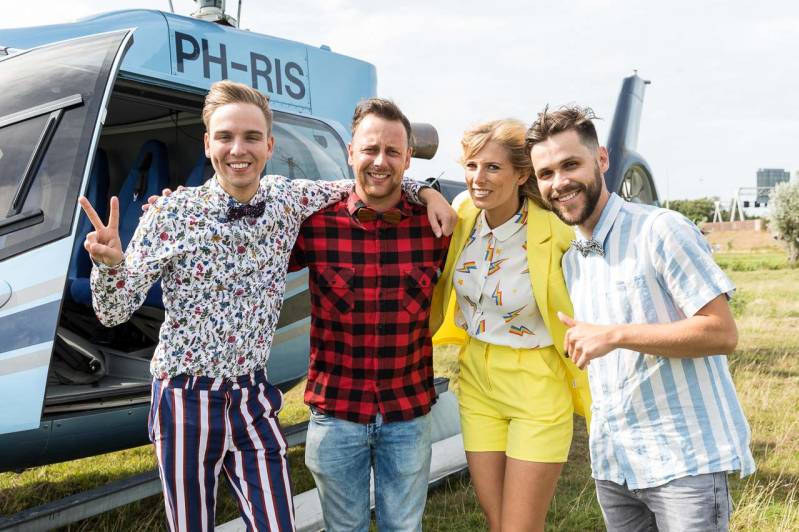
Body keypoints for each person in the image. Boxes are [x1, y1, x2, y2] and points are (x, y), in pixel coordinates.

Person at [80, 80, 453, 532]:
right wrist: (110, 265)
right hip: (184, 397)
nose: (239, 149)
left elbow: (370, 180)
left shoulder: (287, 200)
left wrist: (426, 190)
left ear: (269, 144)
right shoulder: (171, 213)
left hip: (253, 395)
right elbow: (114, 312)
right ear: (208, 143)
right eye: (225, 137)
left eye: (252, 137)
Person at [526, 105, 755, 531]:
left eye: (570, 164)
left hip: (685, 464)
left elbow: (721, 331)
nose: (559, 183)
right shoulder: (573, 261)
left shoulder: (661, 230)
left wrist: (615, 335)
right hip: (617, 467)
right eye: (546, 174)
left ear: (602, 160)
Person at [289, 98, 451, 532]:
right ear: (351, 153)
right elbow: (246, 249)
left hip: (408, 415)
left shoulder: (436, 227)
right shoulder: (315, 226)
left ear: (408, 158)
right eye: (370, 149)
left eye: (392, 152)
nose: (380, 162)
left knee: (405, 527)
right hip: (337, 415)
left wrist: (428, 190)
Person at [429, 119, 591, 532]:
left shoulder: (555, 227)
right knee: (498, 522)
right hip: (477, 381)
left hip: (536, 383)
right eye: (471, 165)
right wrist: (427, 190)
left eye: (492, 168)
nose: (477, 179)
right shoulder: (465, 211)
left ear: (522, 174)